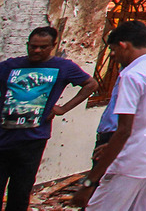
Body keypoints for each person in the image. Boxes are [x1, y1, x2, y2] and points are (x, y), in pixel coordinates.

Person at [70, 20, 146, 211]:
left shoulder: (132, 76)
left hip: (131, 162)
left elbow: (124, 130)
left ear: (123, 45)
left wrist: (89, 182)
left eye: (113, 50)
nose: (113, 55)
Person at [0, 26, 97, 211]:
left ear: (53, 46)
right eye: (33, 46)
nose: (36, 50)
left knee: (20, 192)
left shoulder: (63, 67)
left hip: (32, 140)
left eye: (42, 47)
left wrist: (64, 108)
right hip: (4, 137)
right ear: (27, 45)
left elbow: (91, 84)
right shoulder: (11, 66)